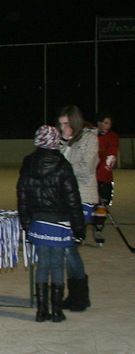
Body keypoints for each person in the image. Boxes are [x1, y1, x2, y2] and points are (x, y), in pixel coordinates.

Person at [17, 125, 85, 323]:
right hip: (59, 222)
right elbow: (73, 199)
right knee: (56, 264)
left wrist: (26, 223)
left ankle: (41, 311)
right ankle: (56, 310)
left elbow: (22, 196)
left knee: (42, 264)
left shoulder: (28, 163)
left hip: (38, 222)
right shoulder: (63, 165)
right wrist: (79, 228)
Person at [57, 105, 97, 312]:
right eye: (60, 124)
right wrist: (63, 143)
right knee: (67, 247)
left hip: (83, 198)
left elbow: (86, 169)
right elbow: (53, 161)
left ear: (75, 122)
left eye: (66, 124)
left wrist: (62, 168)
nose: (63, 128)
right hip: (65, 198)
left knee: (69, 246)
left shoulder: (90, 138)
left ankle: (80, 296)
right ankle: (75, 295)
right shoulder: (62, 141)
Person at [93, 112, 119, 247]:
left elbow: (110, 159)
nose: (108, 126)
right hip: (89, 178)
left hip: (105, 179)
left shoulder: (113, 137)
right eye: (105, 123)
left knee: (102, 206)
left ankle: (98, 229)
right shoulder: (90, 134)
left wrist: (100, 179)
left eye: (109, 123)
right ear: (99, 123)